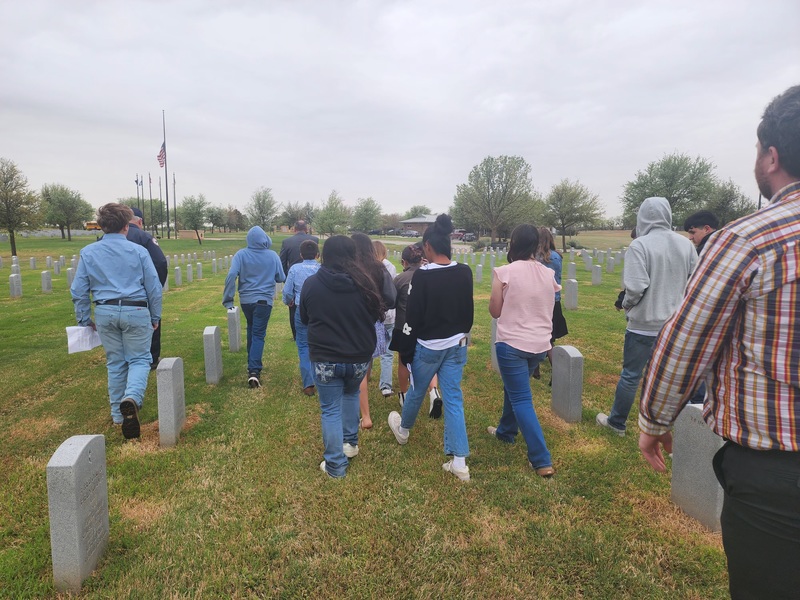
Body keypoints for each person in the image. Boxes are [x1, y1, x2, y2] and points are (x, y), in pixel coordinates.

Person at [638, 85, 800, 600]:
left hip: (779, 470)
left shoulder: (748, 239)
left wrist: (655, 421)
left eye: (756, 149)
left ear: (771, 156)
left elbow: (686, 344)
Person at [596, 196, 696, 436]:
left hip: (643, 326)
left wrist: (629, 307)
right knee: (673, 378)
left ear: (642, 217)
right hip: (676, 325)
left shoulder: (640, 245)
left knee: (631, 376)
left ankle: (617, 423)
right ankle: (671, 428)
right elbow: (695, 283)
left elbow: (636, 286)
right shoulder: (686, 245)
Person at [387, 214, 474, 481]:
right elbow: (468, 313)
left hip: (429, 346)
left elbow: (413, 317)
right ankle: (459, 461)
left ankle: (404, 429)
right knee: (454, 397)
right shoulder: (464, 271)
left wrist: (407, 349)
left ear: (427, 247)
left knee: (416, 389)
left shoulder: (423, 276)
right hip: (457, 344)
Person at [70, 203, 162, 439]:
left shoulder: (89, 252)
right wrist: (155, 316)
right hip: (136, 310)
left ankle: (117, 415)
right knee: (141, 359)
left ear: (102, 226)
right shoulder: (139, 251)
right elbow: (153, 288)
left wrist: (84, 319)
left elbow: (79, 290)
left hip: (105, 312)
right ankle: (131, 397)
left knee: (115, 362)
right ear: (126, 226)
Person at [299, 235, 384, 478]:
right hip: (358, 356)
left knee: (330, 409)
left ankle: (336, 464)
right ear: (353, 256)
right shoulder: (365, 284)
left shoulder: (312, 284)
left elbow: (305, 318)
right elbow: (374, 315)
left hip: (326, 357)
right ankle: (350, 444)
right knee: (350, 394)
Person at [488, 224, 560, 477]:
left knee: (521, 398)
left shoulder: (504, 272)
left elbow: (495, 311)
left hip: (512, 345)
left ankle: (541, 459)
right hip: (540, 345)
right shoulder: (547, 273)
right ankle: (506, 432)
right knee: (515, 389)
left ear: (514, 243)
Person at [222, 226, 285, 388]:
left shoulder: (241, 255)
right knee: (258, 334)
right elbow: (281, 277)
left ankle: (252, 361)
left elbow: (231, 275)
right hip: (264, 301)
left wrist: (228, 299)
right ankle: (254, 371)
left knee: (251, 329)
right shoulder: (272, 255)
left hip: (246, 301)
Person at [350, 233, 396, 429]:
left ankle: (365, 415)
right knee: (367, 360)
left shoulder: (349, 268)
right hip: (373, 320)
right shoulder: (379, 267)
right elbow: (391, 297)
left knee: (358, 366)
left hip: (352, 321)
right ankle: (364, 391)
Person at [389, 243, 441, 411]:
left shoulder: (399, 279)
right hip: (427, 325)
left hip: (403, 326)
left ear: (404, 262)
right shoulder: (431, 275)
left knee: (403, 361)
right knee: (429, 360)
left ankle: (404, 394)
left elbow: (392, 302)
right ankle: (433, 391)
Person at [682, 210, 720, 404]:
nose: (690, 237)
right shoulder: (717, 246)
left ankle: (696, 404)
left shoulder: (710, 251)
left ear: (706, 229)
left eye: (692, 231)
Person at [126, 207, 167, 370]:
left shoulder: (103, 241)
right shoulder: (144, 238)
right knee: (152, 323)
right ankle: (152, 358)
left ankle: (126, 360)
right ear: (140, 221)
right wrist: (155, 288)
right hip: (140, 293)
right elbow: (160, 263)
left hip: (110, 298)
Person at [282, 239, 320, 396]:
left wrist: (288, 301)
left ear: (301, 254)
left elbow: (287, 291)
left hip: (300, 308)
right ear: (317, 255)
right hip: (320, 310)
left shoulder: (295, 269)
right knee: (318, 345)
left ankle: (308, 383)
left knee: (303, 345)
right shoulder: (322, 268)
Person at [532, 227, 568, 381]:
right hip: (555, 301)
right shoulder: (557, 256)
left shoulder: (537, 257)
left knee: (539, 337)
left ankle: (544, 371)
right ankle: (537, 370)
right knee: (549, 337)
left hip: (539, 303)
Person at [280, 220, 319, 340]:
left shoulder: (287, 242)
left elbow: (282, 262)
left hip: (294, 276)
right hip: (314, 278)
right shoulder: (314, 239)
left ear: (294, 229)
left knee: (293, 308)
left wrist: (287, 281)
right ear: (306, 229)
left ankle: (296, 335)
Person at [372, 239, 397, 398]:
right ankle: (386, 386)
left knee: (368, 350)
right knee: (387, 353)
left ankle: (363, 379)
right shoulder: (391, 267)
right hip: (390, 315)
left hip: (375, 315)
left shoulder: (367, 268)